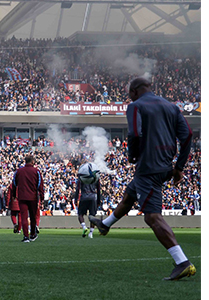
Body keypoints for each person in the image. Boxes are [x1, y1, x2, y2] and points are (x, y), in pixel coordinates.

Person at [89, 77, 196, 281]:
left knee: (152, 217)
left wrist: (132, 155)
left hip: (148, 166)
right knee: (130, 195)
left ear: (134, 91)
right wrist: (179, 167)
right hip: (165, 165)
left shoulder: (135, 106)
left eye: (129, 93)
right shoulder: (171, 107)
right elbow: (188, 135)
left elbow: (135, 133)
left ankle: (182, 262)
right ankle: (105, 224)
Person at [9, 155, 45, 243]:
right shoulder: (36, 171)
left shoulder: (18, 171)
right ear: (32, 162)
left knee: (24, 216)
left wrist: (13, 195)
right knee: (33, 217)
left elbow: (14, 184)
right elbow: (40, 185)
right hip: (33, 197)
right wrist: (42, 197)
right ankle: (33, 234)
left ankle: (25, 236)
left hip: (22, 197)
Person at [73, 165, 103, 239]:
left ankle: (84, 227)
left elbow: (78, 189)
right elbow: (99, 190)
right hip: (93, 197)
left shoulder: (82, 178)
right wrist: (99, 201)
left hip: (84, 197)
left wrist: (76, 199)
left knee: (80, 214)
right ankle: (91, 233)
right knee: (92, 216)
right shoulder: (96, 178)